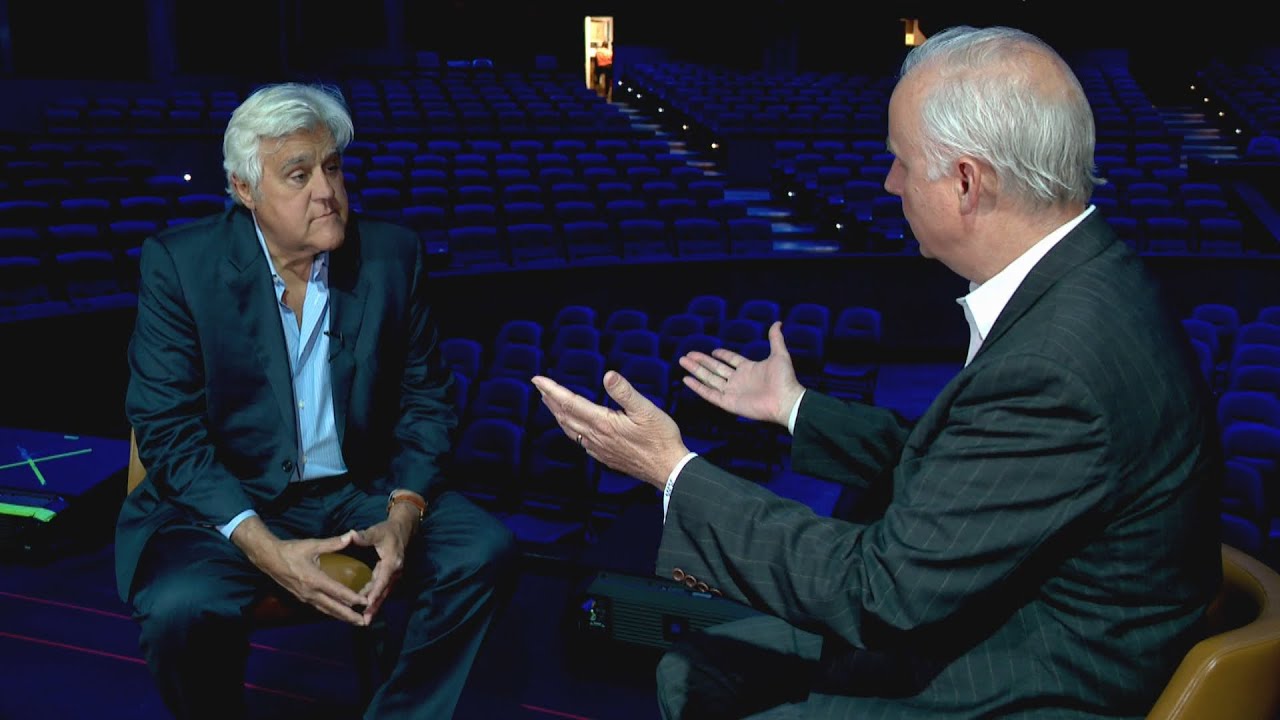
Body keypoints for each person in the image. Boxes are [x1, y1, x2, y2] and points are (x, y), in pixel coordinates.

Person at [532, 25, 1223, 719]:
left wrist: (670, 468)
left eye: (900, 162)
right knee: (696, 668)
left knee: (707, 677)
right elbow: (966, 473)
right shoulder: (1091, 278)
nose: (888, 182)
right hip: (1014, 618)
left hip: (1026, 676)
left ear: (965, 182)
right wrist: (796, 406)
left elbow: (876, 592)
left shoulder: (1054, 364)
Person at [117, 82, 516, 720]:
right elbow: (167, 431)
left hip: (359, 488)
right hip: (228, 501)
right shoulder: (179, 266)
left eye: (331, 167)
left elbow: (427, 402)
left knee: (483, 551)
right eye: (297, 175)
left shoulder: (393, 256)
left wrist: (404, 512)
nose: (326, 192)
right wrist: (266, 548)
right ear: (244, 191)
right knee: (179, 607)